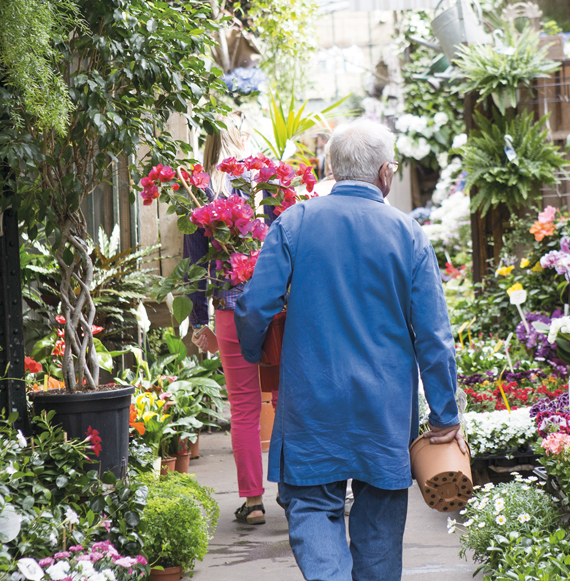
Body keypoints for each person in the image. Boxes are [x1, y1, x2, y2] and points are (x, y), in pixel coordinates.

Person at [234, 118, 465, 581]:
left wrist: (258, 352)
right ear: (386, 172)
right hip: (382, 408)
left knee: (312, 508)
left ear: (332, 170)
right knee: (379, 521)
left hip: (311, 402)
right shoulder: (409, 234)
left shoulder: (295, 222)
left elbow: (255, 305)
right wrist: (444, 415)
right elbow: (434, 337)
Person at [185, 116, 273, 526]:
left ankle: (253, 502)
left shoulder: (198, 196)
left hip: (229, 312)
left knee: (243, 408)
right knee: (287, 399)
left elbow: (193, 268)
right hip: (275, 312)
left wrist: (198, 321)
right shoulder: (266, 191)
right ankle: (297, 491)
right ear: (242, 140)